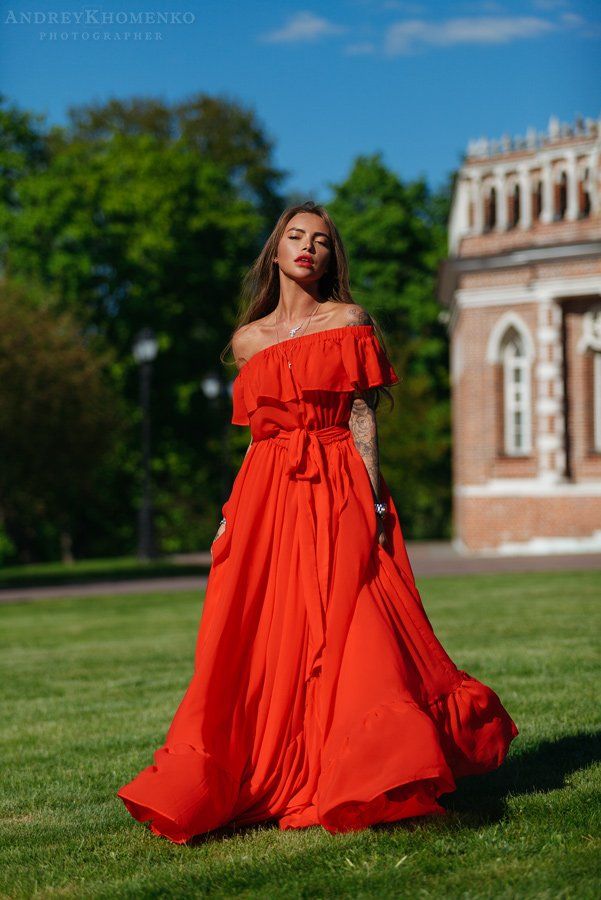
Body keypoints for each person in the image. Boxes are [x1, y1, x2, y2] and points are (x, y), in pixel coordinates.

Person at [116, 201, 519, 843]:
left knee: (356, 612)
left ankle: (370, 763)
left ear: (333, 258)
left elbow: (361, 415)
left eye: (322, 242)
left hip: (336, 477)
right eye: (296, 237)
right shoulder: (248, 341)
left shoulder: (349, 320)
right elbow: (259, 439)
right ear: (274, 252)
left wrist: (376, 500)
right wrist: (230, 516)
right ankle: (265, 765)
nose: (308, 248)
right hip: (268, 493)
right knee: (263, 630)